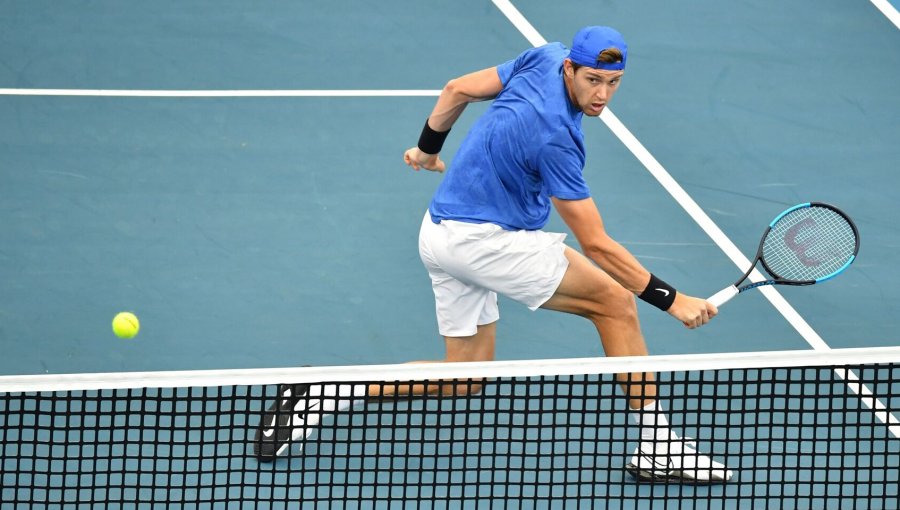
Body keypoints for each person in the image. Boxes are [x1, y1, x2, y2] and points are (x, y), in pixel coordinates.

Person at [254, 26, 732, 484]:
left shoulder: (543, 56)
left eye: (613, 83)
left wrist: (426, 150)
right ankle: (658, 444)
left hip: (440, 231)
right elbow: (597, 244)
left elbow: (456, 88)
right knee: (615, 303)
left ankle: (320, 394)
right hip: (484, 244)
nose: (602, 94)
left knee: (465, 377)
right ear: (569, 68)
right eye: (592, 80)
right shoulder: (556, 139)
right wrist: (671, 300)